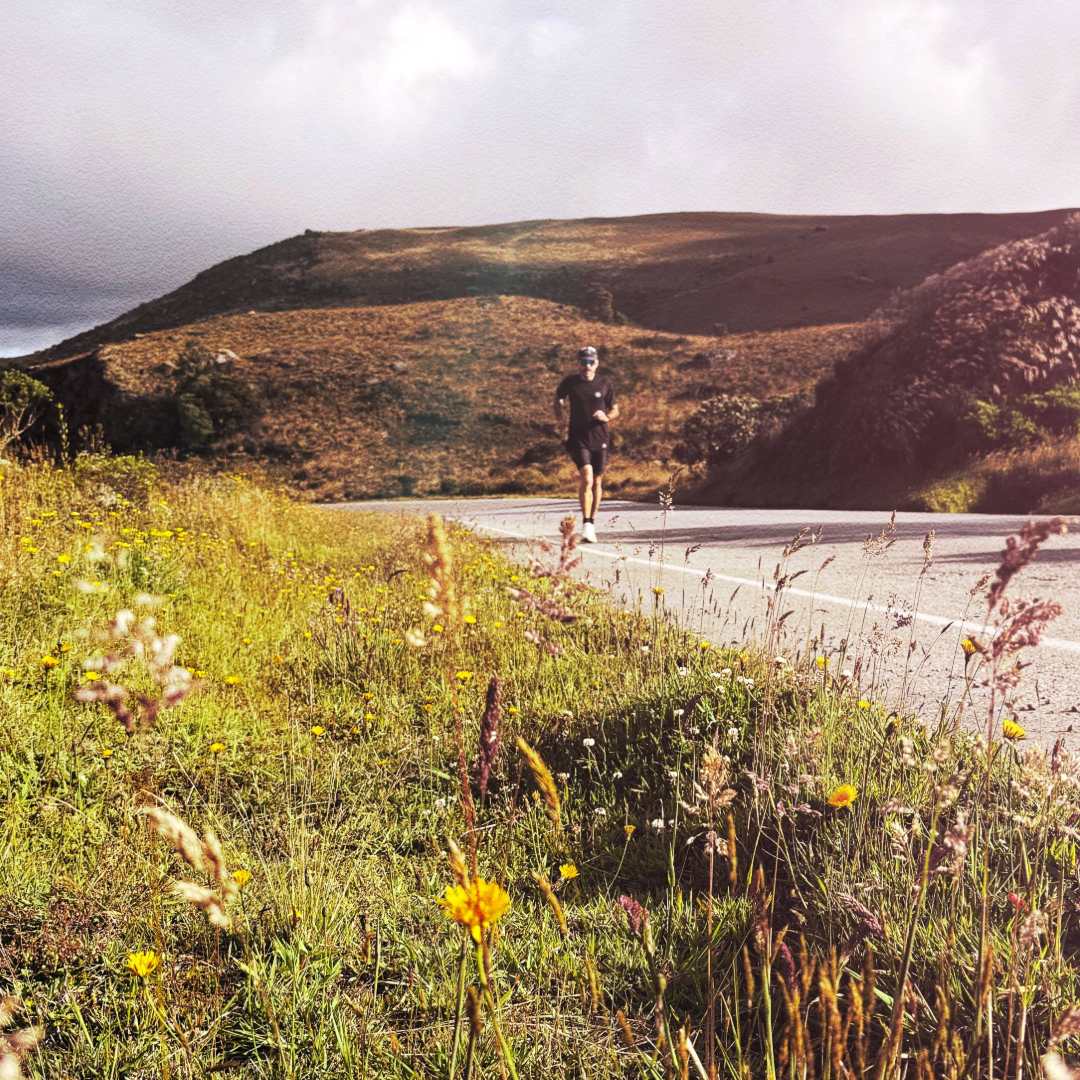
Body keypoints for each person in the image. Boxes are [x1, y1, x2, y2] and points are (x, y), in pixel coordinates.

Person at [554, 346, 619, 543]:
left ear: (596, 364)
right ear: (579, 364)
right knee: (587, 478)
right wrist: (560, 419)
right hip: (578, 438)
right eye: (584, 362)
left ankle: (591, 523)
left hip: (600, 438)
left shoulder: (604, 383)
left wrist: (606, 417)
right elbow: (558, 398)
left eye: (591, 362)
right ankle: (586, 525)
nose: (587, 366)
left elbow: (615, 409)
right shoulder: (570, 383)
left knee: (597, 481)